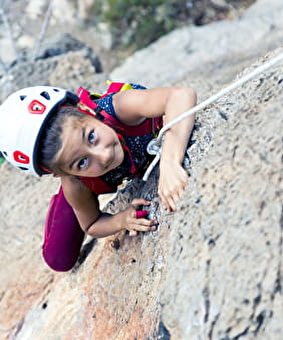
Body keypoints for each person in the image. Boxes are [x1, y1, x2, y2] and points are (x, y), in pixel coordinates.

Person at [0, 82, 197, 271]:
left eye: (91, 137)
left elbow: (180, 95)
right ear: (60, 174)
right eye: (82, 162)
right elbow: (91, 224)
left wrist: (170, 162)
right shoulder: (75, 183)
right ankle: (64, 201)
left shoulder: (120, 107)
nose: (104, 156)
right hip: (85, 184)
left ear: (85, 108)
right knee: (59, 259)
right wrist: (121, 220)